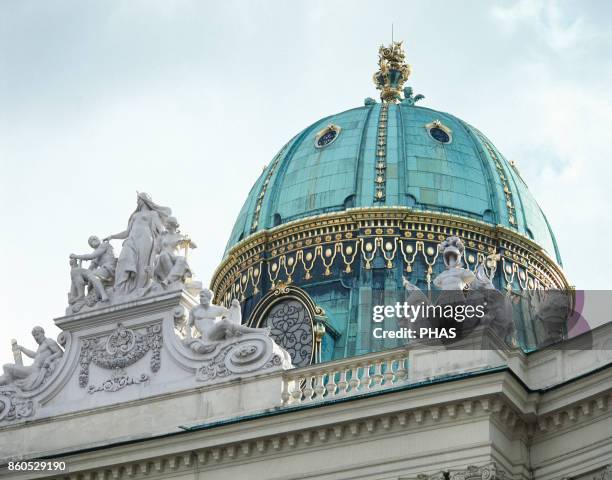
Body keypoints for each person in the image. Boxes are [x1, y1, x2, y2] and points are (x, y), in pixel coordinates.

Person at [104, 192, 171, 295]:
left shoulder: (153, 214)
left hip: (145, 240)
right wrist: (112, 236)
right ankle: (122, 287)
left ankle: (140, 288)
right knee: (123, 260)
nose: (137, 202)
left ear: (143, 200)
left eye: (138, 199)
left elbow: (161, 230)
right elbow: (126, 232)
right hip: (131, 240)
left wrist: (169, 236)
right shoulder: (135, 215)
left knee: (142, 264)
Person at [69, 236, 116, 303]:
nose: (94, 240)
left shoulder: (104, 245)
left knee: (91, 275)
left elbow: (91, 256)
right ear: (91, 245)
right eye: (91, 241)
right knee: (75, 272)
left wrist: (76, 256)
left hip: (108, 268)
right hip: (101, 271)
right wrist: (79, 270)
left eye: (95, 238)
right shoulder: (96, 256)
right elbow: (90, 269)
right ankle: (80, 295)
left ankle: (103, 295)